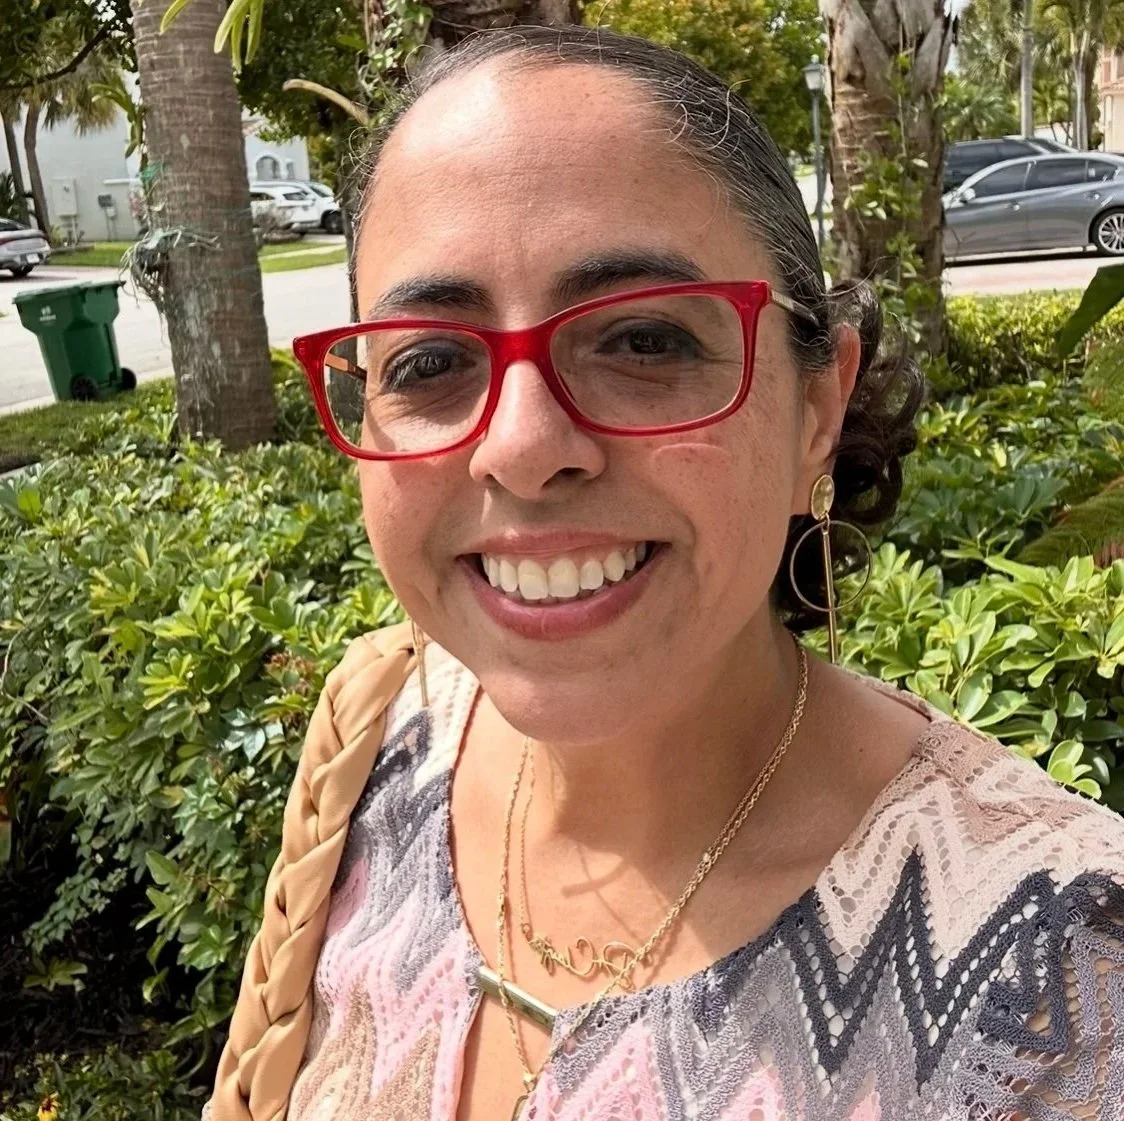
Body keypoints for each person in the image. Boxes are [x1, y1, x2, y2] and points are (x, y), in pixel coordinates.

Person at [205, 25, 1124, 1121]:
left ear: (816, 411)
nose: (522, 445)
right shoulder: (381, 736)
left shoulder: (1061, 979)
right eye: (431, 361)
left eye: (642, 340)